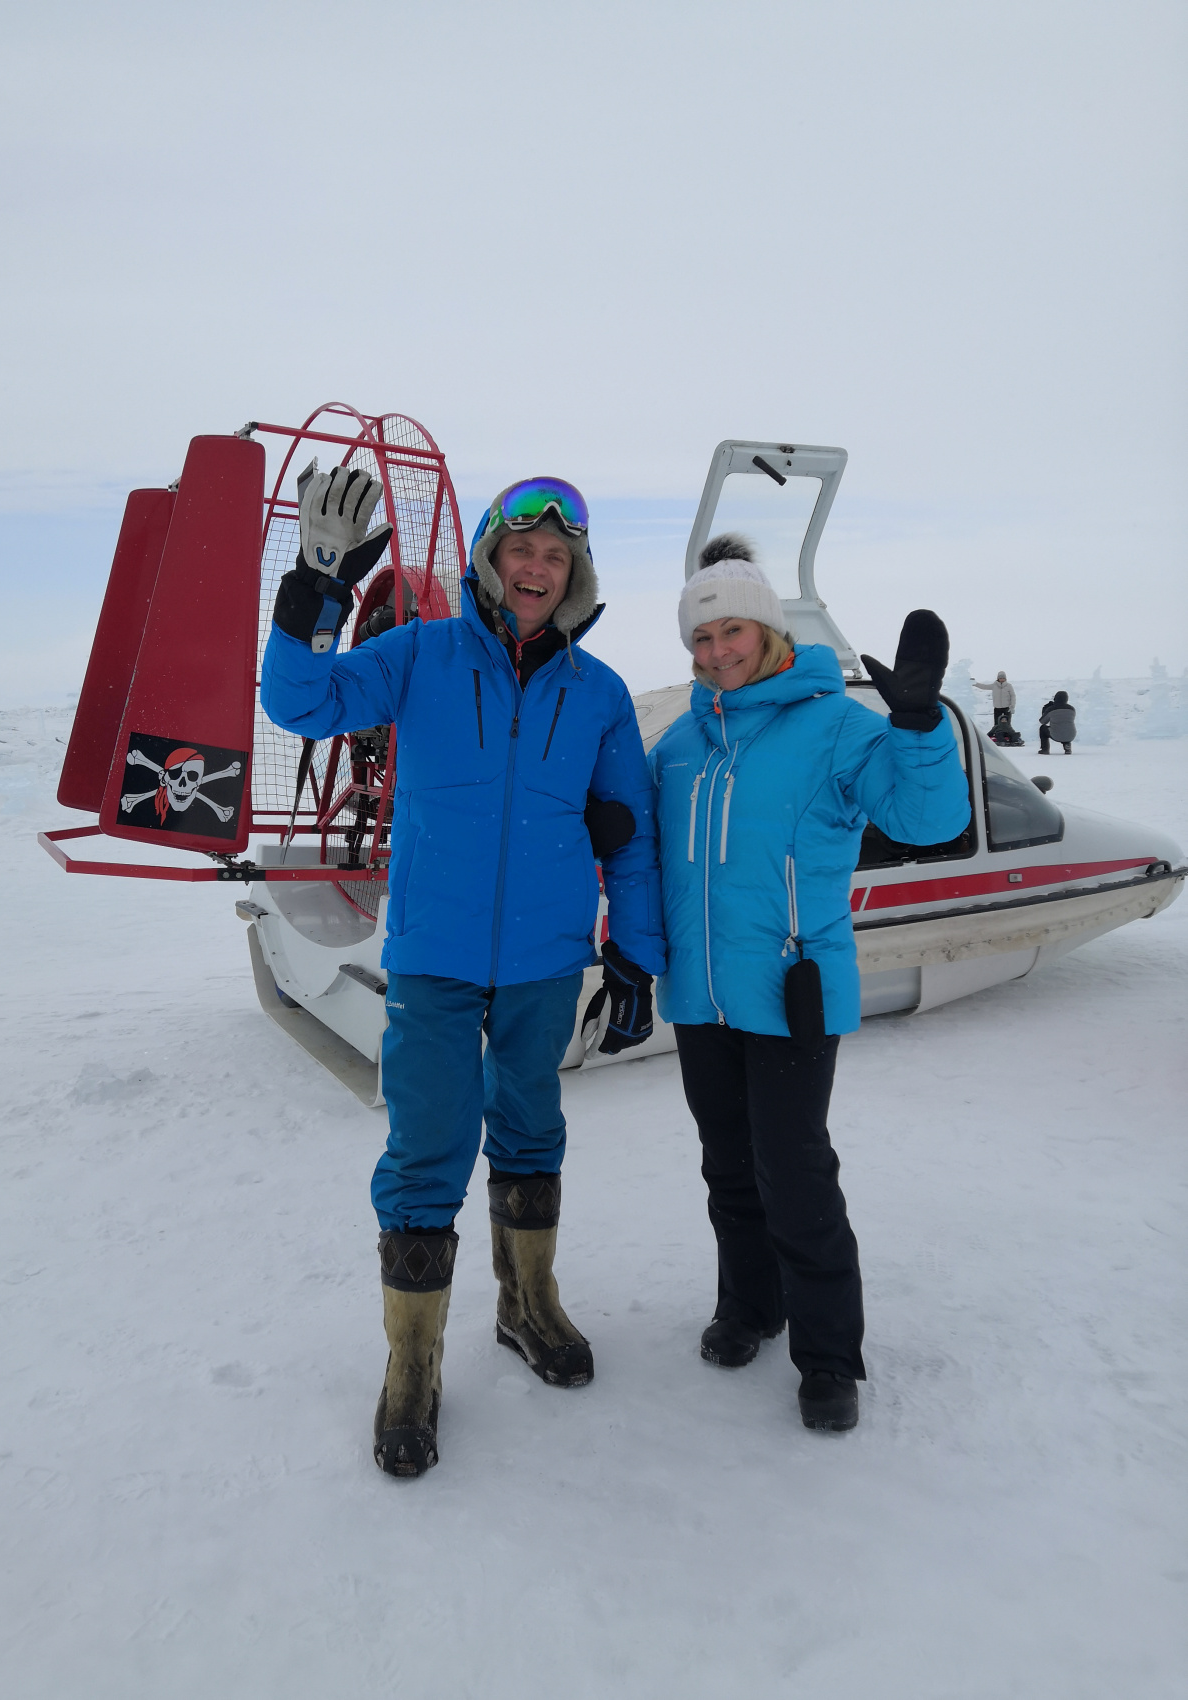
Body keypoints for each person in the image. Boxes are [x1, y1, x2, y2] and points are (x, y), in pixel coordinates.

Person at [260, 468, 665, 1477]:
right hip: (436, 956)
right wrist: (317, 584)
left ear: (573, 572)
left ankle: (528, 1307)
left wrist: (634, 956)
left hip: (545, 959)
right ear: (490, 556)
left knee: (532, 1127)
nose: (536, 566)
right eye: (521, 548)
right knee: (428, 1144)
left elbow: (634, 837)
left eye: (555, 554)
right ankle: (412, 1365)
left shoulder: (600, 692)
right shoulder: (423, 654)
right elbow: (299, 700)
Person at [649, 535, 970, 1432]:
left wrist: (916, 727)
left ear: (767, 629)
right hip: (702, 993)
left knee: (793, 1172)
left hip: (792, 985)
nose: (715, 653)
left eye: (730, 633)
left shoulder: (835, 723)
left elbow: (926, 820)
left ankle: (828, 1355)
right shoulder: (680, 740)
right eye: (699, 641)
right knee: (727, 1166)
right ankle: (749, 1306)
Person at [973, 670, 1017, 738]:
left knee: (1007, 724)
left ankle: (1008, 736)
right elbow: (984, 686)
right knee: (997, 724)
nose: (1002, 679)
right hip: (997, 708)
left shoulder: (1009, 686)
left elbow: (1013, 696)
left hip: (1007, 708)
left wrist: (1012, 706)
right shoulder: (994, 685)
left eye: (1003, 678)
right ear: (998, 678)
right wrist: (975, 683)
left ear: (1005, 679)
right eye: (1000, 678)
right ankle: (997, 735)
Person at [1039, 689, 1076, 754]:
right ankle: (1067, 746)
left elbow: (1043, 721)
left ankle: (1045, 749)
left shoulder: (1051, 709)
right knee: (1065, 727)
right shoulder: (1072, 709)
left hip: (1056, 735)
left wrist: (1045, 710)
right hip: (1071, 735)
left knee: (1042, 728)